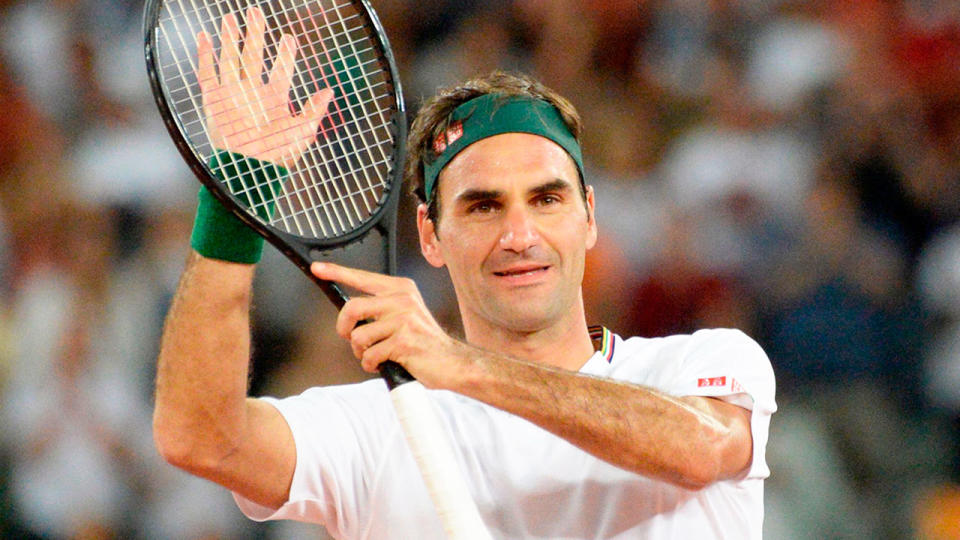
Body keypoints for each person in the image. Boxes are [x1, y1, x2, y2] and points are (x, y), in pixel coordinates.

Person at [153, 8, 776, 539]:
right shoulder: (376, 427)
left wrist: (464, 367)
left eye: (547, 199)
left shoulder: (702, 363)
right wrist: (233, 208)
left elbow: (701, 450)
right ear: (430, 234)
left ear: (589, 216)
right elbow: (201, 438)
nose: (519, 236)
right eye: (483, 206)